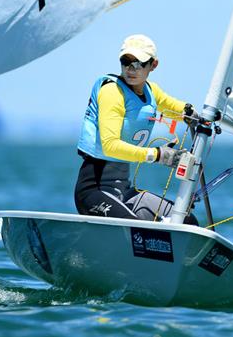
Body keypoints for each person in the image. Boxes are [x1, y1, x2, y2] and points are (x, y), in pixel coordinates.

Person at [75, 34, 199, 225]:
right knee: (133, 228)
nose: (131, 69)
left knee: (186, 221)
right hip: (94, 191)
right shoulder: (111, 91)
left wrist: (197, 116)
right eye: (126, 62)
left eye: (139, 63)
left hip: (125, 192)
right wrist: (158, 155)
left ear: (153, 65)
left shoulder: (151, 91)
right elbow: (110, 146)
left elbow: (177, 109)